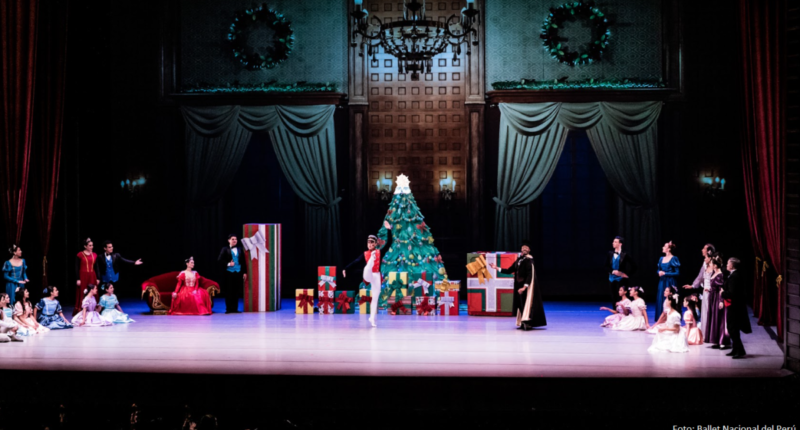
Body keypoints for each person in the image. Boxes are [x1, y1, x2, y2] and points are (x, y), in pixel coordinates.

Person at [343, 221, 394, 328]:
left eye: (372, 243)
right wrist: (346, 269)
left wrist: (389, 230)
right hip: (368, 274)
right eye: (368, 243)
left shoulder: (379, 252)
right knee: (367, 268)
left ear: (375, 244)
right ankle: (370, 263)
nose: (370, 244)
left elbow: (389, 243)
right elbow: (355, 262)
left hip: (376, 276)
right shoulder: (365, 254)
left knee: (375, 298)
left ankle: (372, 318)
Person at [489, 240, 547, 330]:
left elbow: (530, 274)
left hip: (525, 286)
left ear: (529, 250)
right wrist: (496, 268)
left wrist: (524, 287)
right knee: (520, 304)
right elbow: (509, 270)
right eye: (523, 248)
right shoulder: (519, 259)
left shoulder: (529, 260)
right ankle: (522, 322)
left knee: (526, 303)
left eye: (526, 248)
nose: (524, 249)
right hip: (518, 285)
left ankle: (527, 323)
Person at [721, 257, 751, 359]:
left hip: (735, 306)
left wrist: (722, 293)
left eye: (728, 263)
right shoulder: (734, 275)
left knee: (732, 328)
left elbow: (732, 293)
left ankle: (739, 350)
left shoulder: (735, 276)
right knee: (733, 328)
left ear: (732, 265)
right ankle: (736, 349)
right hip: (735, 306)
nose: (726, 265)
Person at [682, 244, 715, 334]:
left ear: (708, 251)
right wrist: (693, 285)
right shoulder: (705, 262)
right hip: (705, 290)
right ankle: (706, 331)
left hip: (711, 291)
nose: (702, 250)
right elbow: (700, 276)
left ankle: (711, 331)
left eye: (703, 248)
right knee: (705, 310)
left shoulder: (713, 263)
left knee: (710, 310)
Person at [217, 234, 248, 314]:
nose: (235, 241)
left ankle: (235, 309)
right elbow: (220, 260)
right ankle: (229, 309)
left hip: (238, 272)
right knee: (229, 291)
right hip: (229, 273)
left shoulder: (240, 249)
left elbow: (243, 261)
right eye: (233, 239)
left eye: (236, 239)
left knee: (236, 291)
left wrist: (244, 272)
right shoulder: (225, 249)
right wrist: (228, 264)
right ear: (229, 240)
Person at [705, 255, 730, 349]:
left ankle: (722, 341)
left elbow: (721, 289)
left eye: (711, 263)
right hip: (712, 297)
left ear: (715, 265)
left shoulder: (720, 275)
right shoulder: (714, 273)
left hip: (717, 298)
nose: (710, 264)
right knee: (713, 318)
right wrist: (709, 289)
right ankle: (715, 340)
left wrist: (721, 301)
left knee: (719, 319)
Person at [604, 236, 637, 307]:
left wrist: (626, 274)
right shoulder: (610, 254)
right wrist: (613, 271)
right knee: (614, 297)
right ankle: (616, 313)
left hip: (621, 279)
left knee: (622, 296)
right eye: (613, 241)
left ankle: (624, 313)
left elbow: (634, 265)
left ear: (620, 244)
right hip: (612, 279)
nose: (613, 243)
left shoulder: (625, 255)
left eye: (615, 242)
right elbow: (606, 266)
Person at [655, 241, 680, 319]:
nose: (662, 247)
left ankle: (670, 318)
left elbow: (677, 273)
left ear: (668, 249)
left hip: (670, 282)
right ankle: (661, 318)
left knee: (670, 299)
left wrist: (665, 273)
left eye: (664, 246)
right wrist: (659, 272)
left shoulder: (674, 258)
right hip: (662, 282)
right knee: (661, 298)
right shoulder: (661, 258)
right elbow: (658, 270)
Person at [74, 238, 99, 314]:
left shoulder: (94, 254)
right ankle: (82, 310)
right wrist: (78, 278)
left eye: (92, 245)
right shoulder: (80, 255)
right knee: (83, 291)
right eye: (90, 245)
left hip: (92, 275)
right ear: (85, 246)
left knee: (93, 291)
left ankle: (93, 309)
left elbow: (97, 267)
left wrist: (98, 278)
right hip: (83, 275)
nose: (92, 247)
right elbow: (76, 267)